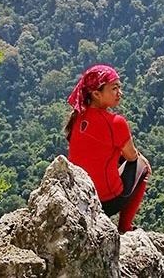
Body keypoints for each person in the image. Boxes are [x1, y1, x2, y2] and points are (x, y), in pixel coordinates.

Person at [65, 64, 151, 233]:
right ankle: (125, 227)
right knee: (144, 167)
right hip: (106, 202)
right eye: (114, 88)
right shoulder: (116, 123)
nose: (120, 93)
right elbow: (132, 157)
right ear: (96, 94)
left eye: (119, 87)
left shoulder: (77, 117)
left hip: (81, 199)